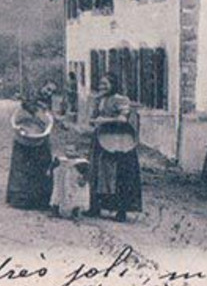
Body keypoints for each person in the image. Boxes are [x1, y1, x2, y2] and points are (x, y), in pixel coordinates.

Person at [88, 75, 143, 222]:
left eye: (105, 84)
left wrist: (104, 120)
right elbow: (93, 119)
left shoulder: (121, 99)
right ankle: (96, 207)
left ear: (113, 84)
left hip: (118, 140)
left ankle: (121, 210)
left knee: (118, 175)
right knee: (98, 173)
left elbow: (123, 119)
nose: (102, 87)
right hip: (100, 140)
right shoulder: (100, 99)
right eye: (100, 84)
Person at [5, 98, 55, 210]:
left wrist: (43, 131)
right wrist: (20, 130)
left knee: (40, 169)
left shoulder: (44, 112)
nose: (48, 94)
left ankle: (40, 199)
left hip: (40, 141)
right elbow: (16, 122)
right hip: (22, 141)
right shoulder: (21, 112)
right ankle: (20, 199)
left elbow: (48, 124)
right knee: (21, 170)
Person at [49, 144, 91, 220]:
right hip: (62, 181)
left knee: (77, 197)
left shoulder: (81, 162)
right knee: (58, 194)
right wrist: (50, 170)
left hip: (75, 183)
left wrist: (84, 179)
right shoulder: (62, 159)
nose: (69, 153)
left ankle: (75, 213)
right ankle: (55, 210)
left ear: (77, 152)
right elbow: (53, 165)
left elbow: (87, 172)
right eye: (67, 150)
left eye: (71, 151)